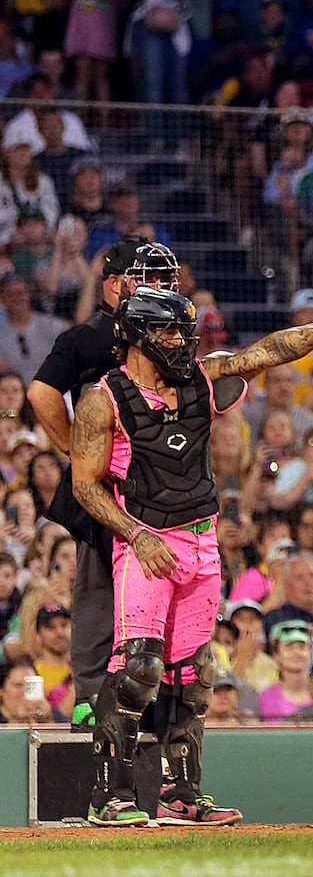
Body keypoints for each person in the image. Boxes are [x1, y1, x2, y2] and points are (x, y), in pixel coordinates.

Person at [70, 286, 313, 826]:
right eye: (167, 332)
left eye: (180, 330)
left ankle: (181, 796)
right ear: (136, 337)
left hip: (203, 543)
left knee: (194, 675)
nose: (179, 341)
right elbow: (85, 484)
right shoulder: (103, 399)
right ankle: (110, 797)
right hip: (146, 545)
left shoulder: (199, 377)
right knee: (139, 669)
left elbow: (264, 353)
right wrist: (135, 533)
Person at [27, 238, 179, 733]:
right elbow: (41, 391)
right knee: (97, 589)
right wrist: (75, 450)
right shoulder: (89, 337)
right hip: (105, 487)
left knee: (155, 593)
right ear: (115, 285)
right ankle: (91, 694)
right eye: (146, 276)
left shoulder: (168, 335)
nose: (158, 286)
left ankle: (149, 695)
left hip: (157, 486)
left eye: (163, 278)